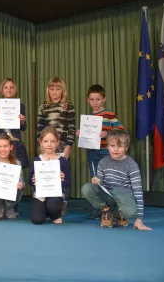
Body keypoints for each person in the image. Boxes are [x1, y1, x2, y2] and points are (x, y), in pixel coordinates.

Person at [81, 130, 151, 230]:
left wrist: (139, 219)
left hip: (124, 194)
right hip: (108, 194)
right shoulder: (103, 162)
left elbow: (138, 191)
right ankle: (106, 211)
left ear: (126, 147)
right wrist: (96, 180)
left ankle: (119, 213)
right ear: (108, 146)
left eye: (120, 146)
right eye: (112, 146)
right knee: (86, 188)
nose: (116, 149)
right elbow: (100, 181)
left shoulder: (132, 165)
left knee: (130, 212)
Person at [77, 84, 124, 219]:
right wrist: (81, 133)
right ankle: (99, 208)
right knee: (95, 180)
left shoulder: (109, 114)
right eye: (92, 99)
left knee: (109, 180)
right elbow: (88, 135)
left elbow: (120, 130)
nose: (95, 102)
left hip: (106, 152)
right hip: (93, 152)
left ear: (104, 99)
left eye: (98, 99)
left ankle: (114, 207)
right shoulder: (89, 118)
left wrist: (108, 133)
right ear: (88, 100)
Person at [36, 77, 75, 215]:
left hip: (62, 144)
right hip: (47, 145)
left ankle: (62, 201)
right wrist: (40, 145)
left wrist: (69, 145)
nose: (54, 91)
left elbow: (71, 127)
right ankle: (45, 200)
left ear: (62, 90)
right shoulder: (43, 106)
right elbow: (40, 128)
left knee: (61, 175)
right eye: (51, 89)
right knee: (47, 174)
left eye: (57, 89)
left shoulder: (68, 106)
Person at [0, 78, 29, 215]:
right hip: (3, 144)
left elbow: (23, 128)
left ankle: (13, 207)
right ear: (2, 90)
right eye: (6, 87)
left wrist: (23, 121)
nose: (9, 90)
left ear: (15, 90)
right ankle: (0, 206)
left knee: (14, 175)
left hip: (16, 144)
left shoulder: (21, 106)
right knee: (2, 174)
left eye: (11, 87)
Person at [29, 126, 70, 225]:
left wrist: (63, 179)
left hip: (56, 195)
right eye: (46, 141)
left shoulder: (62, 160)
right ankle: (45, 211)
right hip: (40, 196)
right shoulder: (36, 160)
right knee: (37, 220)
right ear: (41, 142)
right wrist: (33, 180)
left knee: (53, 206)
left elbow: (69, 181)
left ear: (57, 142)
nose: (49, 144)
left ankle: (55, 214)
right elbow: (29, 180)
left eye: (52, 141)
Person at [0, 134, 25, 221]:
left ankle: (9, 209)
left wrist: (21, 185)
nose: (2, 149)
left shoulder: (17, 163)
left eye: (5, 146)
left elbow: (22, 182)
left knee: (18, 188)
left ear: (11, 147)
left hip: (11, 194)